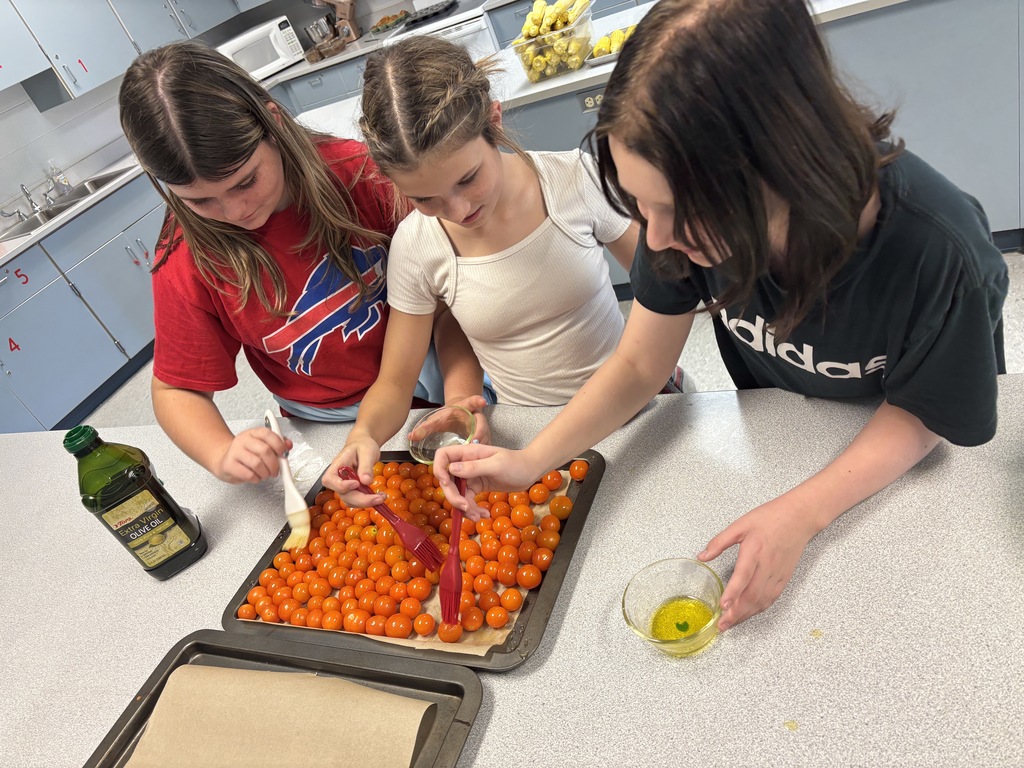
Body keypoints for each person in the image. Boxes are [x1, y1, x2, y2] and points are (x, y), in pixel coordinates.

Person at [432, 0, 1009, 633]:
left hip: (898, 471)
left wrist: (804, 512)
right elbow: (639, 362)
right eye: (639, 204)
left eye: (673, 210)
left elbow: (928, 410)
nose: (652, 242)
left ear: (787, 162)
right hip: (779, 431)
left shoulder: (939, 251)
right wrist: (528, 460)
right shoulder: (680, 223)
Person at [119, 41, 482, 484]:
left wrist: (460, 395)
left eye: (245, 181)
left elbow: (451, 306)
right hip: (327, 419)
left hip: (439, 374)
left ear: (273, 122)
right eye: (198, 200)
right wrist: (220, 452)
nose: (235, 212)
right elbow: (177, 389)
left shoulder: (360, 174)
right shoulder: (186, 261)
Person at [321, 36, 656, 498]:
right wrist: (363, 437)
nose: (458, 210)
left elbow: (663, 286)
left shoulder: (573, 180)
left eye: (467, 178)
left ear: (493, 123)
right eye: (425, 198)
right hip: (529, 434)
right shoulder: (417, 247)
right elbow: (396, 381)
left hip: (638, 404)